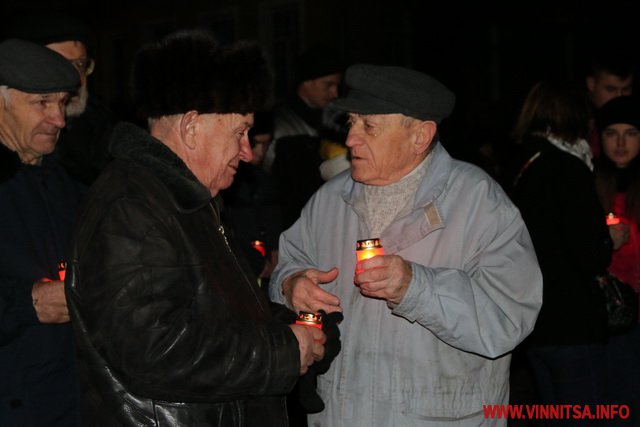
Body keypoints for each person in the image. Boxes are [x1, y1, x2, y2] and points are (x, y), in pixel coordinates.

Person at [65, 29, 337, 426]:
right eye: (239, 131)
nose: (247, 153)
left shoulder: (184, 200)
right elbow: (154, 350)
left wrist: (294, 328)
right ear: (191, 127)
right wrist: (282, 350)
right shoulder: (132, 208)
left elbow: (212, 315)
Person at [269, 64, 543, 427]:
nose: (351, 139)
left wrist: (416, 286)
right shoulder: (330, 199)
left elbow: (509, 318)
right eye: (351, 122)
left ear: (420, 136)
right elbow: (287, 265)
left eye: (369, 126)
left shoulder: (478, 202)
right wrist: (291, 284)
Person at [509, 80, 612, 422]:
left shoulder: (524, 163)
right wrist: (610, 239)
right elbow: (589, 252)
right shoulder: (567, 168)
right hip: (572, 323)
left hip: (536, 321)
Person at [0, 38, 83, 426]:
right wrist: (26, 304)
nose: (60, 119)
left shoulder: (68, 184)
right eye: (42, 103)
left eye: (63, 103)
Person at [9, 12, 117, 185]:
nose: (76, 78)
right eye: (60, 64)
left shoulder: (105, 126)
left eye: (80, 64)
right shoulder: (20, 141)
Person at [593, 95, 640, 425]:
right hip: (608, 316)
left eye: (632, 133)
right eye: (612, 133)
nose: (621, 143)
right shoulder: (590, 183)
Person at [265, 45, 345, 229]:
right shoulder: (279, 123)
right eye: (328, 85)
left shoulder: (335, 121)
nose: (335, 93)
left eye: (337, 85)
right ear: (306, 82)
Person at [221, 110, 282, 292]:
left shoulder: (264, 180)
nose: (259, 152)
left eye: (266, 144)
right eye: (257, 143)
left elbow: (273, 218)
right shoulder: (225, 179)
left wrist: (275, 249)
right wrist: (255, 262)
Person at [584, 50, 634, 158]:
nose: (619, 96)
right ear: (591, 84)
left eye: (626, 89)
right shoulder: (575, 118)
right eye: (610, 89)